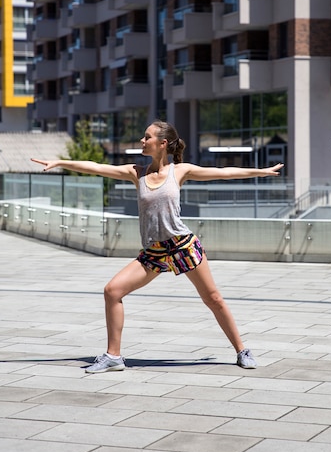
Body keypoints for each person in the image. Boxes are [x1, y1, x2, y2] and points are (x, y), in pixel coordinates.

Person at [31, 120, 283, 373]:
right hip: (154, 252)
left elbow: (223, 172)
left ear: (162, 144)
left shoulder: (180, 171)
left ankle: (242, 351)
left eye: (147, 137)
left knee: (213, 299)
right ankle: (113, 357)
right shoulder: (136, 172)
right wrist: (60, 163)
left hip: (183, 245)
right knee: (112, 291)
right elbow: (97, 167)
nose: (142, 141)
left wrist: (261, 172)